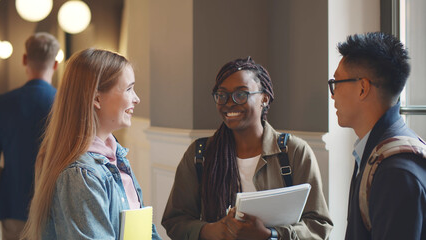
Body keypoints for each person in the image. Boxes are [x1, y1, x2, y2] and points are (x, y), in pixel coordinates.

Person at [162, 57, 333, 239]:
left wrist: (271, 235)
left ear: (264, 99)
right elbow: (175, 222)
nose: (229, 102)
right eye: (222, 95)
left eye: (241, 94)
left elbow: (319, 225)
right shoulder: (199, 155)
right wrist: (213, 230)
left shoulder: (294, 152)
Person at [20, 48, 162, 240]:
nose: (136, 99)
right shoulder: (80, 174)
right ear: (96, 98)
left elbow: (145, 232)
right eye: (129, 89)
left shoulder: (116, 158)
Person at [330, 32, 426, 239]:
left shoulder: (396, 172)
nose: (332, 94)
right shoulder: (378, 151)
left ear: (363, 88)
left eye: (336, 83)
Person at [0, 32, 59, 240]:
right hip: (55, 205)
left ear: (25, 59)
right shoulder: (64, 104)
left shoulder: (3, 103)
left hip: (13, 203)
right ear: (56, 63)